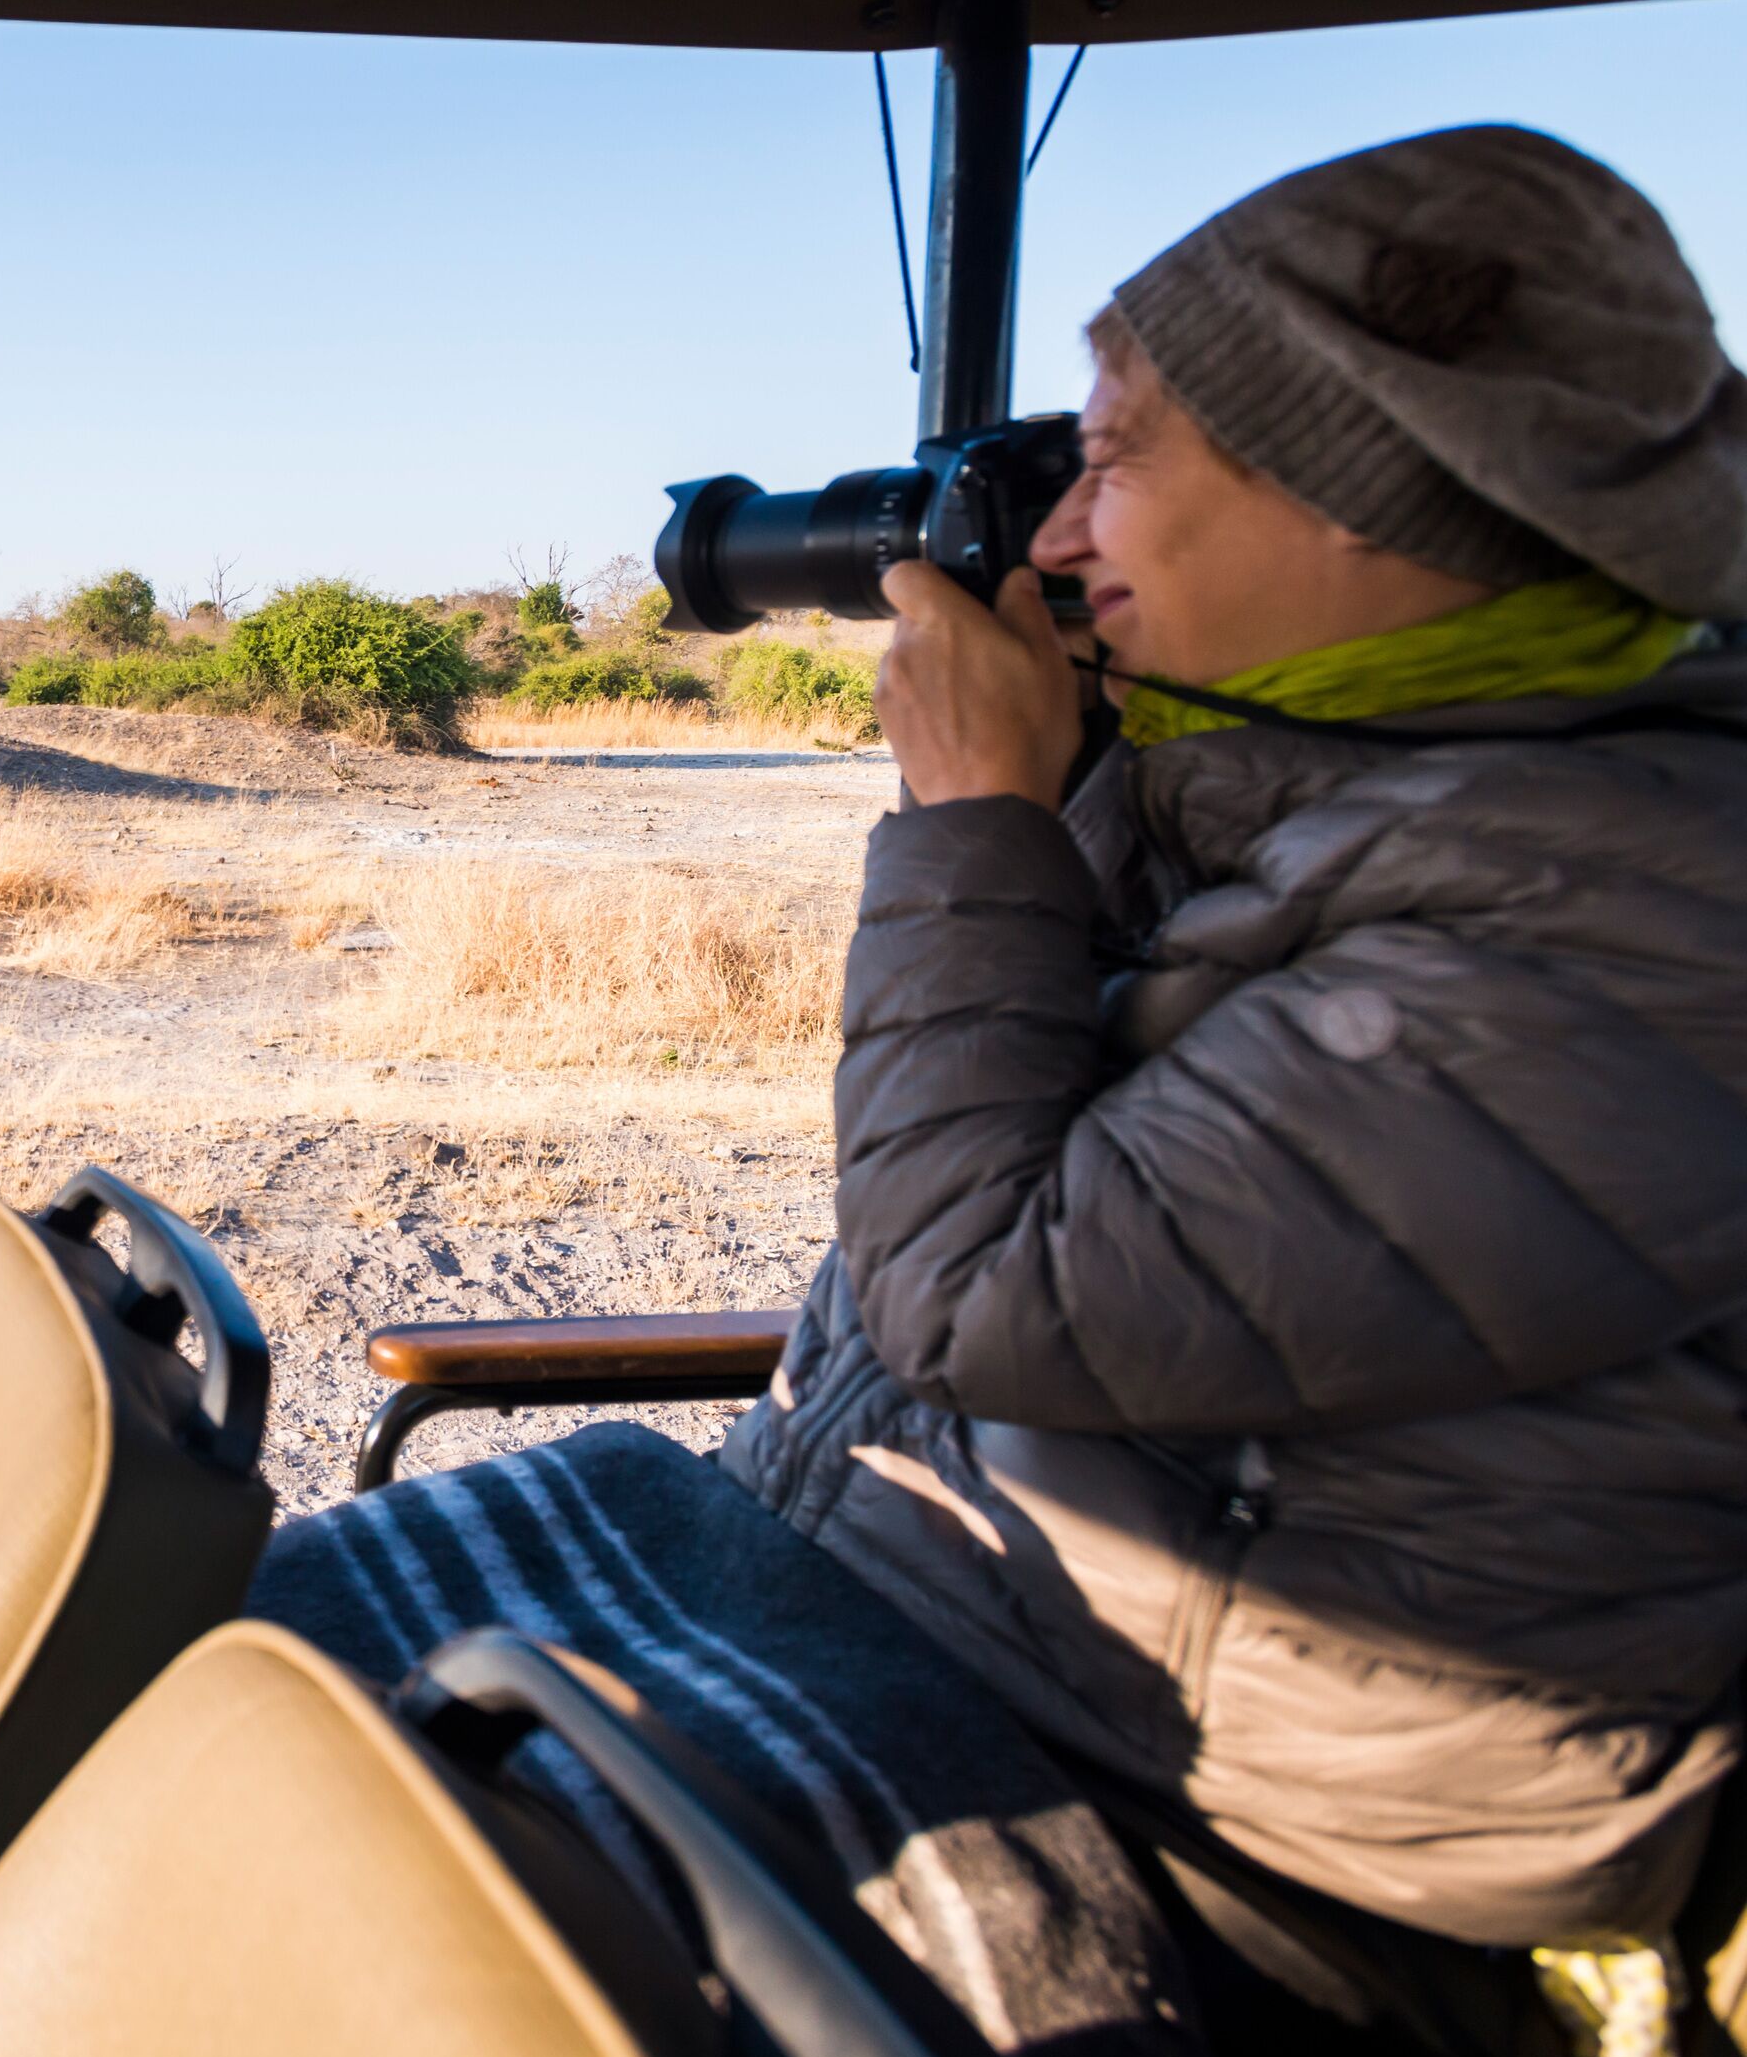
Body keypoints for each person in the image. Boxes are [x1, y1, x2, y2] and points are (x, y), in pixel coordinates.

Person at [726, 121, 1747, 1957]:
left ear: (1359, 477)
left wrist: (980, 821)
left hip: (1268, 1828)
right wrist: (1098, 763)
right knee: (194, 1686)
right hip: (927, 1605)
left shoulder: (1655, 908)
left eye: (1112, 462)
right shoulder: (1325, 773)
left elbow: (982, 1303)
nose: (1052, 532)